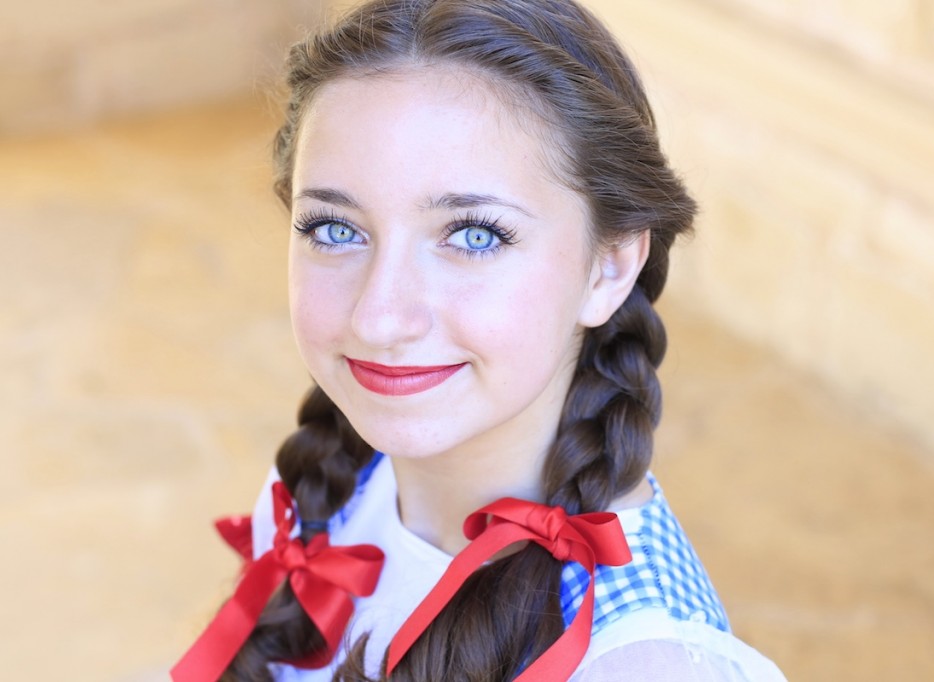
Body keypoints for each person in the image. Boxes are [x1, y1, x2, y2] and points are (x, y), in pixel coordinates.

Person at [173, 0, 788, 680]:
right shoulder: (337, 483)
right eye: (335, 230)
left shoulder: (643, 664)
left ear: (608, 266)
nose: (378, 318)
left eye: (474, 234)